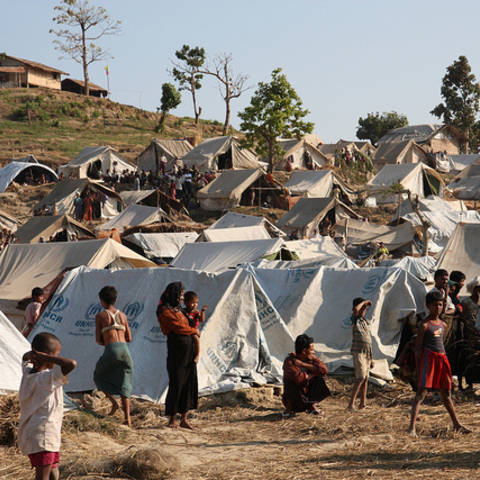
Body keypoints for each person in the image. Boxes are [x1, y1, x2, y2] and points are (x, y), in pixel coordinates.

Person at [408, 291, 470, 437]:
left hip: (442, 359)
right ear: (428, 306)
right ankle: (412, 429)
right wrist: (417, 369)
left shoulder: (442, 324)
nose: (438, 307)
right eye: (435, 305)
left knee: (446, 394)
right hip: (429, 360)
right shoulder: (424, 324)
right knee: (421, 393)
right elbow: (418, 349)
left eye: (440, 304)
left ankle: (456, 424)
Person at [18, 333, 77, 480]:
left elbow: (25, 358)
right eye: (56, 355)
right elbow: (71, 364)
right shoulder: (48, 378)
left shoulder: (27, 373)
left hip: (33, 435)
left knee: (53, 471)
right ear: (48, 355)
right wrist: (44, 357)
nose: (57, 359)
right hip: (44, 435)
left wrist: (37, 355)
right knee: (42, 477)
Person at [157, 282, 199, 430]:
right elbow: (178, 327)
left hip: (189, 351)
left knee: (188, 382)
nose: (182, 298)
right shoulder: (164, 310)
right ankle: (172, 418)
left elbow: (191, 322)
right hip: (176, 351)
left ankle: (184, 418)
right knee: (177, 382)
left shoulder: (179, 309)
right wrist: (193, 331)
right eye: (180, 295)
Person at [94, 286, 134, 427]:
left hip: (111, 349)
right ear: (116, 299)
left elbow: (98, 340)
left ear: (102, 300)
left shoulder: (100, 316)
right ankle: (128, 419)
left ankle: (114, 403)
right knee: (125, 385)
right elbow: (129, 338)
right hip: (125, 351)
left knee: (98, 376)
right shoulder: (123, 316)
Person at [281, 334, 330, 419]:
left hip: (307, 396)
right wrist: (314, 373)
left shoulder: (311, 359)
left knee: (320, 377)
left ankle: (311, 405)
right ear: (304, 351)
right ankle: (289, 407)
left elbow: (324, 369)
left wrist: (303, 365)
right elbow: (298, 379)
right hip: (297, 399)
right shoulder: (289, 361)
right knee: (290, 381)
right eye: (311, 350)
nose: (313, 352)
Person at [348, 298, 374, 410]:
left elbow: (369, 341)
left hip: (366, 353)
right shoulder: (355, 320)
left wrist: (371, 358)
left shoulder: (365, 322)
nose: (363, 310)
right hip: (358, 352)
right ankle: (351, 404)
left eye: (365, 309)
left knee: (365, 379)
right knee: (360, 377)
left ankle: (362, 404)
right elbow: (356, 310)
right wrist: (364, 302)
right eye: (362, 308)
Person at [183, 291, 207, 364]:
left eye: (196, 303)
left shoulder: (196, 312)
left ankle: (197, 355)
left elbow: (201, 319)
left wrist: (202, 311)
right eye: (192, 303)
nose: (195, 305)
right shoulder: (183, 311)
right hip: (185, 330)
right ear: (186, 303)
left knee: (196, 339)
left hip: (193, 330)